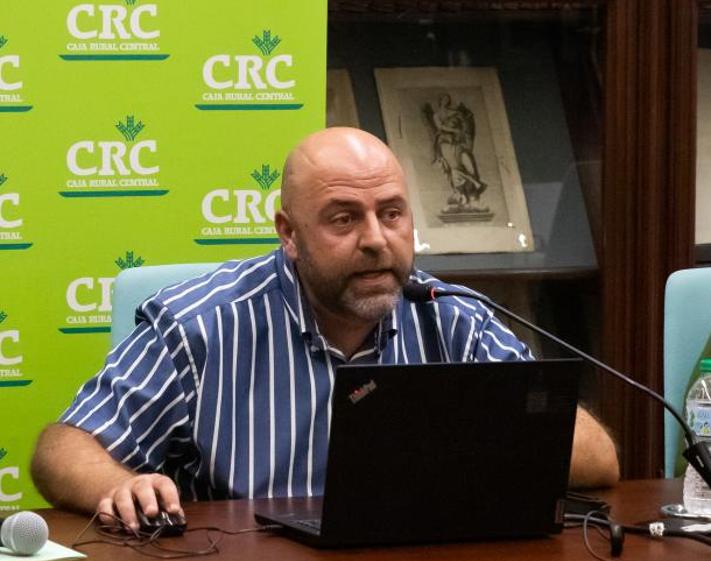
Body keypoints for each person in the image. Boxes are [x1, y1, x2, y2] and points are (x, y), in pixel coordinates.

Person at [31, 127, 619, 529]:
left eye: (392, 214)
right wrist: (119, 486)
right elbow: (63, 448)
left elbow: (599, 463)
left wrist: (488, 425)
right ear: (289, 233)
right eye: (344, 219)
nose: (375, 240)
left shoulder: (448, 314)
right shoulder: (199, 324)